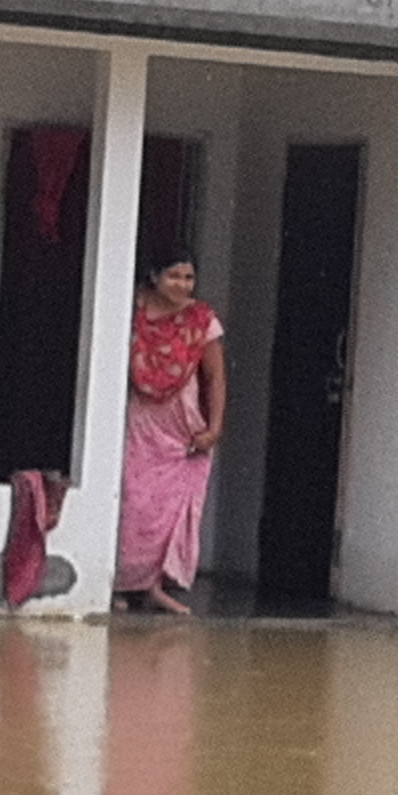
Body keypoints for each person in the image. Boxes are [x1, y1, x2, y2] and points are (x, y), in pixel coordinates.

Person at [117, 256, 225, 613]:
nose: (183, 284)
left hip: (182, 426)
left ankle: (153, 587)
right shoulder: (130, 311)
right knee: (134, 500)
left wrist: (214, 427)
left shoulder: (201, 321)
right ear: (153, 276)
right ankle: (119, 583)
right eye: (174, 276)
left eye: (189, 277)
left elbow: (214, 378)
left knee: (171, 508)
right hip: (140, 421)